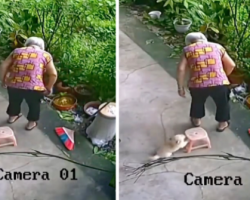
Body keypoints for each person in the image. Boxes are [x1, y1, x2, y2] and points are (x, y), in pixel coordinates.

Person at [176, 32, 236, 132]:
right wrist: (222, 76)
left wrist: (180, 87)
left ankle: (196, 120)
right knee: (222, 103)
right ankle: (222, 124)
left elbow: (181, 69)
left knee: (197, 102)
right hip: (219, 83)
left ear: (189, 42)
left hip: (198, 84)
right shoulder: (217, 46)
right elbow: (231, 65)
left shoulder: (187, 49)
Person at [0, 37, 58, 130]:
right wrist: (48, 87)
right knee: (34, 105)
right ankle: (31, 124)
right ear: (42, 47)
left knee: (14, 101)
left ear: (27, 44)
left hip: (14, 84)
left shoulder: (17, 51)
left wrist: (3, 80)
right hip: (34, 87)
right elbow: (53, 74)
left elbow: (3, 66)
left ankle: (12, 117)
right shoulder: (45, 55)